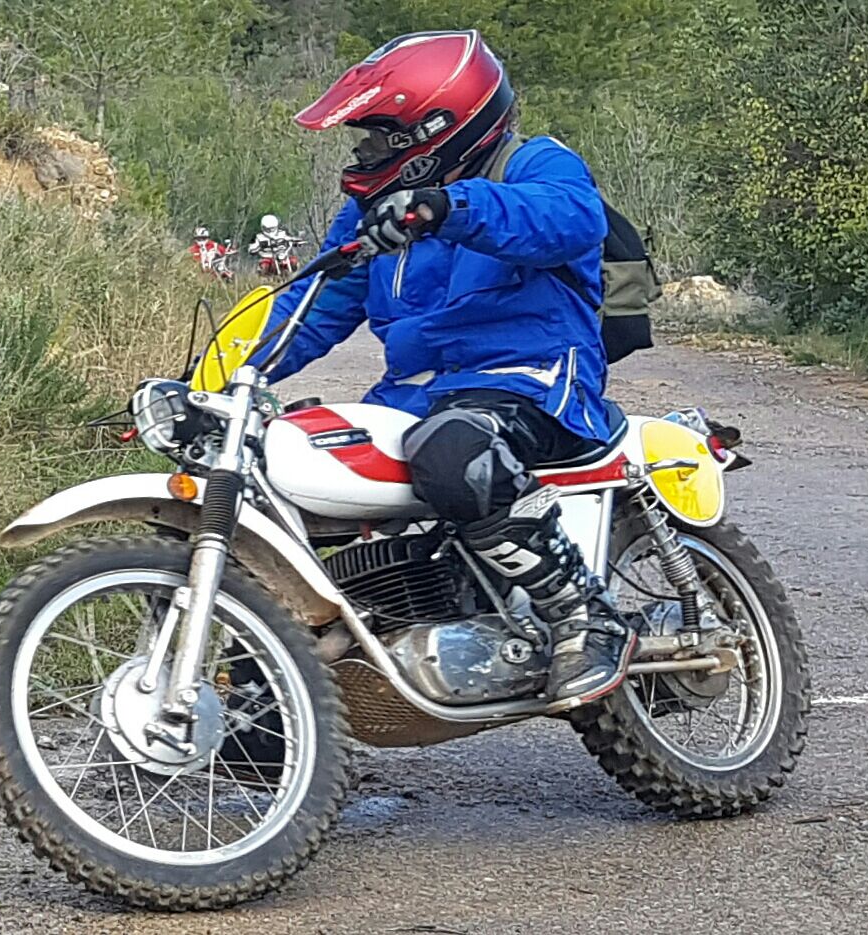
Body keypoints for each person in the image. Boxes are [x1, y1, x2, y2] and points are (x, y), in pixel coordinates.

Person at [254, 30, 635, 708]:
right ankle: (270, 695)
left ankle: (585, 613)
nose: (361, 152)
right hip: (415, 398)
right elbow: (308, 306)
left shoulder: (533, 165)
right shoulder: (371, 212)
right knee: (285, 463)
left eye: (376, 138)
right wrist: (210, 378)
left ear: (435, 131)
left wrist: (446, 208)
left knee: (454, 449)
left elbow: (568, 220)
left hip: (533, 380)